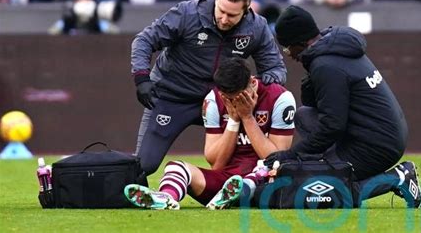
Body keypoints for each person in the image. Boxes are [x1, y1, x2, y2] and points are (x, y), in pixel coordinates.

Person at [257, 5, 421, 208]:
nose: (288, 54)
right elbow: (314, 105)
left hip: (377, 145)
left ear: (299, 42)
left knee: (325, 189)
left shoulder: (326, 65)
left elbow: (332, 125)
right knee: (304, 116)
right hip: (377, 134)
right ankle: (331, 166)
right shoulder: (333, 49)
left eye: (288, 47)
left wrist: (292, 154)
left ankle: (398, 177)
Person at [131, 0, 287, 177]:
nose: (224, 19)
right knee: (144, 165)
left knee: (245, 165)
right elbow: (144, 40)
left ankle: (246, 188)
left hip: (223, 103)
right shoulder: (187, 13)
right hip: (172, 97)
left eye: (232, 15)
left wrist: (259, 88)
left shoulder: (257, 27)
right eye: (221, 11)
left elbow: (275, 69)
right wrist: (142, 78)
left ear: (246, 10)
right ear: (216, 0)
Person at [124, 58, 295, 209]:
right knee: (175, 167)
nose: (233, 102)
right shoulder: (212, 100)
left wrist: (248, 117)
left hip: (264, 183)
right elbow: (217, 164)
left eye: (238, 97)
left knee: (264, 169)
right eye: (227, 98)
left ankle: (238, 191)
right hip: (226, 182)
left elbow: (276, 161)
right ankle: (166, 197)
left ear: (251, 82)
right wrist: (234, 121)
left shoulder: (280, 98)